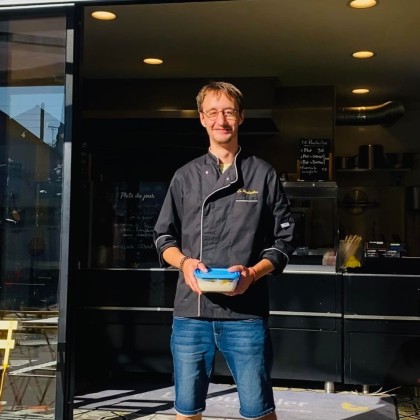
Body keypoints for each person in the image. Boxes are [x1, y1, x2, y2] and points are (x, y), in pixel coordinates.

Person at [154, 81, 295, 420]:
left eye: (229, 112)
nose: (222, 120)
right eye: (214, 112)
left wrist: (253, 273)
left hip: (245, 313)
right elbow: (162, 238)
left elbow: (284, 241)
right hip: (191, 313)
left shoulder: (262, 173)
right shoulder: (184, 176)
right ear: (202, 119)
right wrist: (185, 264)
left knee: (258, 410)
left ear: (241, 118)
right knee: (186, 410)